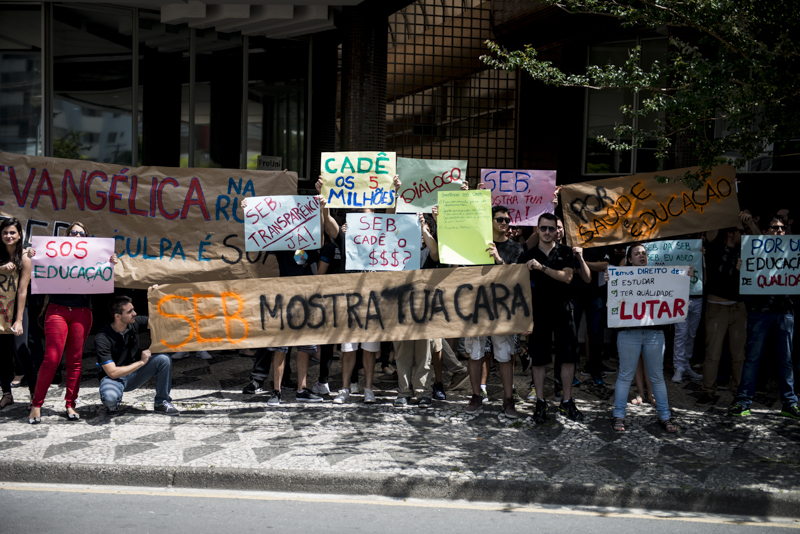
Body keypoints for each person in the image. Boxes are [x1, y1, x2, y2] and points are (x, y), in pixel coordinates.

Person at [28, 222, 118, 424]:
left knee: (75, 360)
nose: (77, 235)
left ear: (86, 237)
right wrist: (33, 255)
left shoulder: (94, 256)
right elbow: (40, 266)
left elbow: (104, 277)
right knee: (51, 358)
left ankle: (70, 404)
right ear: (67, 235)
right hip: (57, 310)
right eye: (73, 232)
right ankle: (36, 404)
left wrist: (111, 262)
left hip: (82, 312)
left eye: (81, 233)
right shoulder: (53, 254)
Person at [607, 244, 687, 433]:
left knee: (657, 376)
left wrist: (685, 276)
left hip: (654, 333)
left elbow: (675, 288)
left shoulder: (659, 277)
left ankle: (665, 416)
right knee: (625, 375)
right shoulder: (620, 278)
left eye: (644, 253)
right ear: (629, 259)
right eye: (637, 254)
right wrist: (610, 281)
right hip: (628, 333)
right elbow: (613, 302)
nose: (642, 256)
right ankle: (619, 415)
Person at [729, 218, 799, 419]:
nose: (779, 231)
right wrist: (740, 270)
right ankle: (743, 402)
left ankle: (789, 404)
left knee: (786, 360)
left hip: (785, 311)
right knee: (752, 359)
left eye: (782, 228)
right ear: (766, 231)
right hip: (760, 311)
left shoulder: (793, 253)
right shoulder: (755, 251)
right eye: (775, 227)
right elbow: (745, 282)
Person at [519, 212, 583, 424]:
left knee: (568, 357)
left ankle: (567, 401)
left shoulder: (565, 251)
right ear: (537, 230)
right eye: (543, 228)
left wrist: (542, 268)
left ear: (557, 231)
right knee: (538, 359)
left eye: (551, 228)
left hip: (564, 311)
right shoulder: (528, 255)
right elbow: (515, 283)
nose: (547, 232)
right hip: (538, 314)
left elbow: (567, 277)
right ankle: (540, 402)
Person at [462, 205, 524, 418]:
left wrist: (499, 259)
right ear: (489, 222)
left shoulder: (516, 248)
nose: (504, 223)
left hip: (503, 311)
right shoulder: (475, 246)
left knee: (505, 355)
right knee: (475, 353)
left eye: (507, 220)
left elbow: (516, 277)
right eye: (500, 219)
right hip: (476, 308)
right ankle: (476, 396)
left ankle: (508, 400)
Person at [698, 212, 758, 406]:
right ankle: (708, 391)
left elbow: (762, 243)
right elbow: (712, 225)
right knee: (713, 354)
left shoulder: (745, 250)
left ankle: (738, 392)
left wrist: (750, 224)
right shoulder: (714, 247)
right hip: (717, 308)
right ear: (730, 232)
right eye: (741, 231)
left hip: (739, 308)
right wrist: (725, 210)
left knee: (739, 355)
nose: (744, 235)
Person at [96, 295, 179, 416]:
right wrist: (141, 362)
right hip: (114, 378)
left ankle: (161, 402)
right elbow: (112, 373)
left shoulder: (134, 323)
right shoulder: (102, 338)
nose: (134, 313)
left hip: (134, 375)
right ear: (117, 316)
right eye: (129, 312)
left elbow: (159, 321)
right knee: (110, 398)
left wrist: (158, 295)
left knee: (163, 359)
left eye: (133, 310)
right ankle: (113, 403)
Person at [0, 218, 38, 409]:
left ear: (20, 235)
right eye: (5, 232)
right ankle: (6, 394)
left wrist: (19, 320)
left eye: (12, 232)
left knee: (21, 352)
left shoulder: (24, 256)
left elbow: (22, 290)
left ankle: (34, 396)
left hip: (18, 309)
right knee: (2, 354)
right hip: (0, 310)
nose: (9, 236)